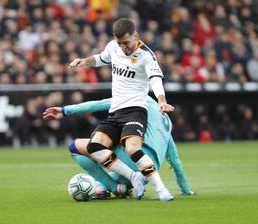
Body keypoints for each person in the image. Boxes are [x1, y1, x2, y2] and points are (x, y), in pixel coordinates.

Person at [68, 18, 175, 201]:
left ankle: (162, 190)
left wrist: (161, 101)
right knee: (94, 146)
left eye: (126, 42)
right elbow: (100, 59)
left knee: (133, 148)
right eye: (119, 43)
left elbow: (155, 79)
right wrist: (83, 61)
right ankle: (134, 177)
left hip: (135, 110)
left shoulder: (146, 55)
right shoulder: (113, 47)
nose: (123, 47)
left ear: (136, 36)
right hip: (115, 112)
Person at [43, 96, 195, 199]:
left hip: (130, 158)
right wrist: (185, 189)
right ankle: (111, 187)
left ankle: (111, 187)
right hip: (149, 173)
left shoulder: (135, 97)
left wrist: (65, 110)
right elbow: (175, 161)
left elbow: (96, 105)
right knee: (118, 154)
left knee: (77, 147)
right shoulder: (167, 122)